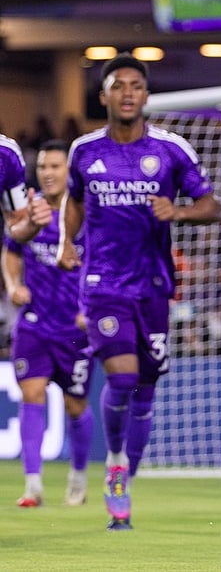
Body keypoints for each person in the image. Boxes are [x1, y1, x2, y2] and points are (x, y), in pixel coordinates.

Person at [56, 53, 221, 531]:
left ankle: (128, 470)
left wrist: (179, 212)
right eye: (118, 85)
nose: (127, 93)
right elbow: (74, 200)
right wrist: (67, 242)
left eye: (135, 85)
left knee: (145, 387)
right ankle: (114, 462)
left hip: (153, 284)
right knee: (123, 378)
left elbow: (210, 205)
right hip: (103, 283)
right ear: (103, 96)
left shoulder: (171, 150)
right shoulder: (84, 150)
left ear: (146, 95)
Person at [6, 140, 92, 508]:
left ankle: (78, 476)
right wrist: (13, 285)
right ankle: (33, 485)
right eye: (42, 167)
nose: (48, 173)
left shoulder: (86, 215)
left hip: (75, 331)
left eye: (55, 166)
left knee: (75, 406)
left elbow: (104, 261)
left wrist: (90, 308)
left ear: (69, 171)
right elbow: (10, 250)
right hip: (34, 325)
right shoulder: (30, 211)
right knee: (31, 394)